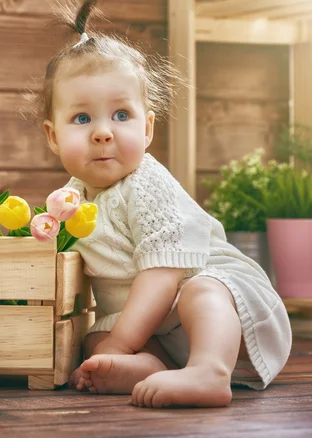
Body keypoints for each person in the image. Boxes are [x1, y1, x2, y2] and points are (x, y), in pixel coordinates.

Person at [36, 0, 292, 408]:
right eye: (82, 119)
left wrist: (121, 343)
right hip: (159, 326)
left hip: (230, 317)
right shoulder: (71, 199)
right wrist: (111, 344)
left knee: (200, 291)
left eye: (121, 114)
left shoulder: (148, 185)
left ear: (148, 126)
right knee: (93, 340)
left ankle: (211, 370)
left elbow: (163, 276)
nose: (103, 132)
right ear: (52, 136)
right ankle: (154, 368)